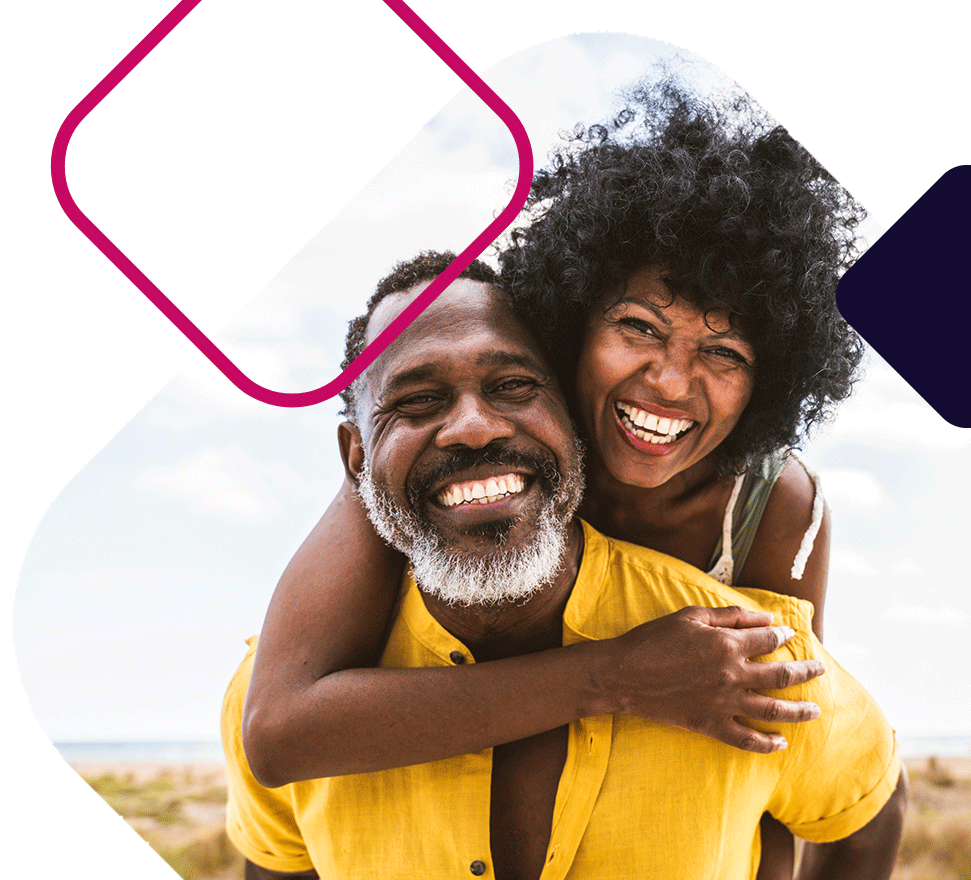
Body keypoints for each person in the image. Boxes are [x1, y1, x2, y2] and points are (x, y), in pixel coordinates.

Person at [242, 80, 894, 879]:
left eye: (723, 353)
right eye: (637, 329)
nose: (669, 381)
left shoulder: (773, 504)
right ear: (566, 327)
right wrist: (615, 677)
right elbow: (281, 727)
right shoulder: (471, 455)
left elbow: (775, 750)